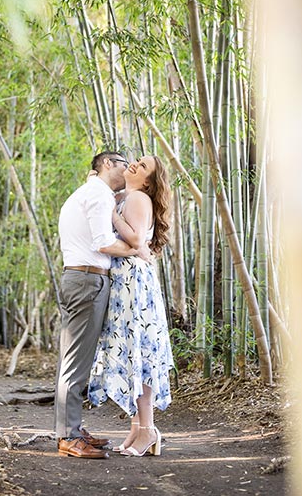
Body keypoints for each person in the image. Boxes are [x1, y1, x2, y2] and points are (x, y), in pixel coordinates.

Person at [55, 151, 150, 460]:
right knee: (76, 361)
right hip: (87, 280)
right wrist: (137, 250)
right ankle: (68, 436)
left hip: (82, 278)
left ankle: (71, 429)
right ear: (108, 164)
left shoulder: (94, 191)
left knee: (76, 358)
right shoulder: (98, 195)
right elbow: (103, 243)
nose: (130, 168)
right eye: (125, 164)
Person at [88, 154, 174, 457]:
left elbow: (137, 240)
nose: (135, 164)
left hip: (133, 283)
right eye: (137, 159)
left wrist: (112, 214)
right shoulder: (129, 196)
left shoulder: (137, 198)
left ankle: (147, 430)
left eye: (143, 166)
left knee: (139, 351)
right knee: (135, 351)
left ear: (148, 181)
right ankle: (139, 428)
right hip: (129, 280)